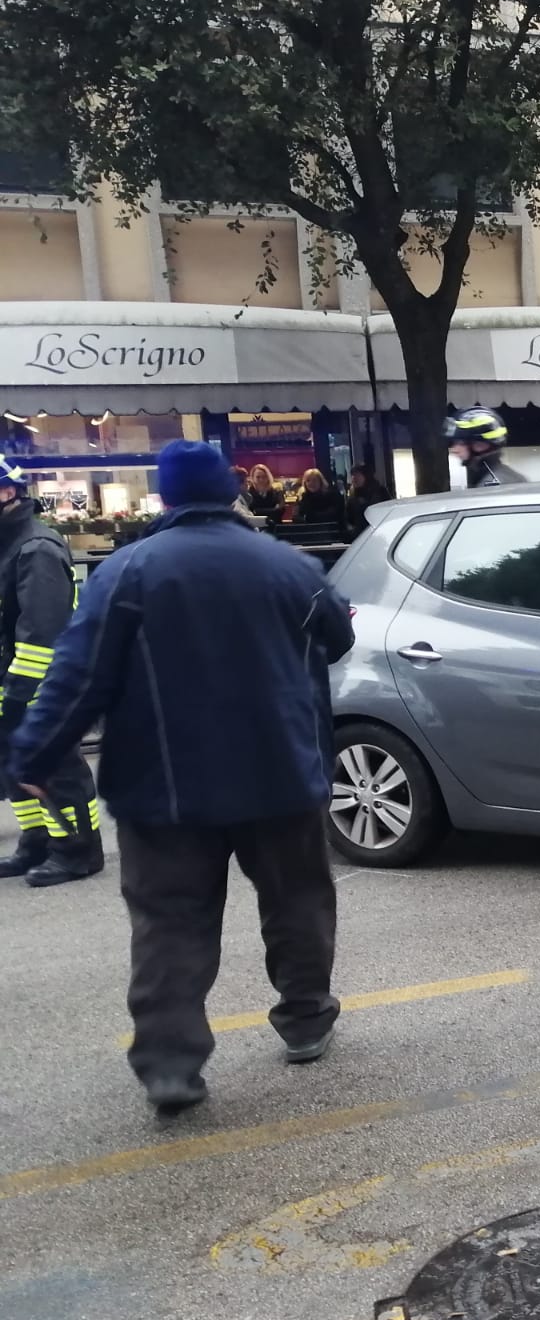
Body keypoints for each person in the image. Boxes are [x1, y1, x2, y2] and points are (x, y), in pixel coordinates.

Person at [11, 440, 355, 1116]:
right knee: (297, 903)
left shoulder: (126, 572)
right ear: (230, 490)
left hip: (163, 788)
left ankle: (171, 1066)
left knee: (171, 925)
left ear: (166, 496)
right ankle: (306, 1018)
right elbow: (337, 639)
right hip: (280, 775)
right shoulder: (288, 566)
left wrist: (34, 755)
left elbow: (77, 677)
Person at [0, 457, 103, 887]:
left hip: (41, 686)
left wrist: (20, 698)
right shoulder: (10, 544)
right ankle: (38, 841)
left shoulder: (35, 548)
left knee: (57, 768)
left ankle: (78, 850)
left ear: (7, 492)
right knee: (15, 767)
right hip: (13, 684)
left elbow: (42, 634)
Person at [446, 407, 526, 488]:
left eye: (460, 442)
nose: (454, 449)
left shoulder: (495, 486)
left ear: (480, 446)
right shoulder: (498, 477)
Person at [344, 465, 393, 540]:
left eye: (358, 475)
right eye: (353, 475)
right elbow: (349, 517)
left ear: (366, 476)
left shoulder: (380, 491)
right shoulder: (353, 497)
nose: (354, 478)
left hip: (379, 533)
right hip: (360, 536)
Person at [294, 468, 347, 534]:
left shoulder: (333, 495)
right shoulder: (304, 497)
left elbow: (333, 515)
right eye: (308, 481)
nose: (311, 483)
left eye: (314, 480)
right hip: (311, 534)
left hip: (332, 533)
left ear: (321, 481)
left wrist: (309, 518)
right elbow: (297, 518)